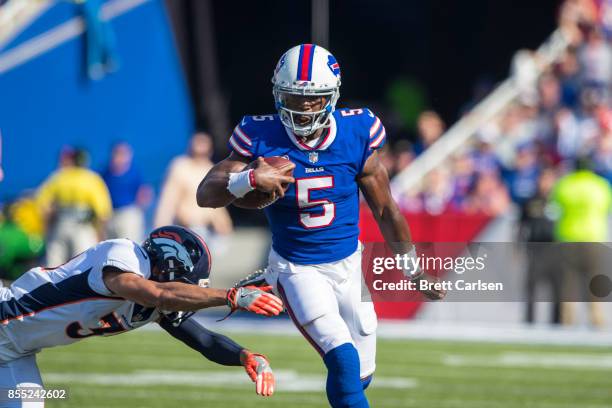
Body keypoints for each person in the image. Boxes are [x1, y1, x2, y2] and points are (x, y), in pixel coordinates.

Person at [196, 44, 445, 408]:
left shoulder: (357, 132)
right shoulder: (259, 135)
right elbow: (206, 194)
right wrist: (248, 177)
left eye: (313, 99)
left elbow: (386, 209)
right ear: (279, 95)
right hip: (298, 269)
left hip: (348, 266)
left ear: (332, 97)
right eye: (293, 98)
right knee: (343, 360)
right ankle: (274, 280)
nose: (302, 108)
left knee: (360, 375)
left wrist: (412, 269)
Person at [0, 225, 283, 407]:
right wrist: (230, 296)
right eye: (184, 283)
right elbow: (156, 294)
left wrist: (244, 355)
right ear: (169, 263)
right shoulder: (123, 255)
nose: (187, 291)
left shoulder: (157, 301)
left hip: (15, 352)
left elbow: (203, 340)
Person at [36, 148, 112, 267]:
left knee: (53, 266)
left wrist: (47, 227)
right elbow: (103, 213)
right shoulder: (91, 178)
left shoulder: (60, 176)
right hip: (82, 227)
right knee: (83, 265)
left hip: (60, 225)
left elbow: (42, 203)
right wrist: (100, 233)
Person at [155, 132, 232, 249]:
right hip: (185, 230)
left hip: (207, 231)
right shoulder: (180, 167)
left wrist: (225, 225)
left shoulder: (210, 168)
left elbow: (217, 203)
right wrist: (160, 229)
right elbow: (167, 201)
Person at [102, 142, 151, 242]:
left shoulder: (134, 172)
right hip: (111, 215)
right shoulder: (105, 173)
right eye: (117, 153)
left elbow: (145, 191)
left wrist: (140, 208)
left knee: (129, 244)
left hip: (128, 214)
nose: (119, 157)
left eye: (123, 154)